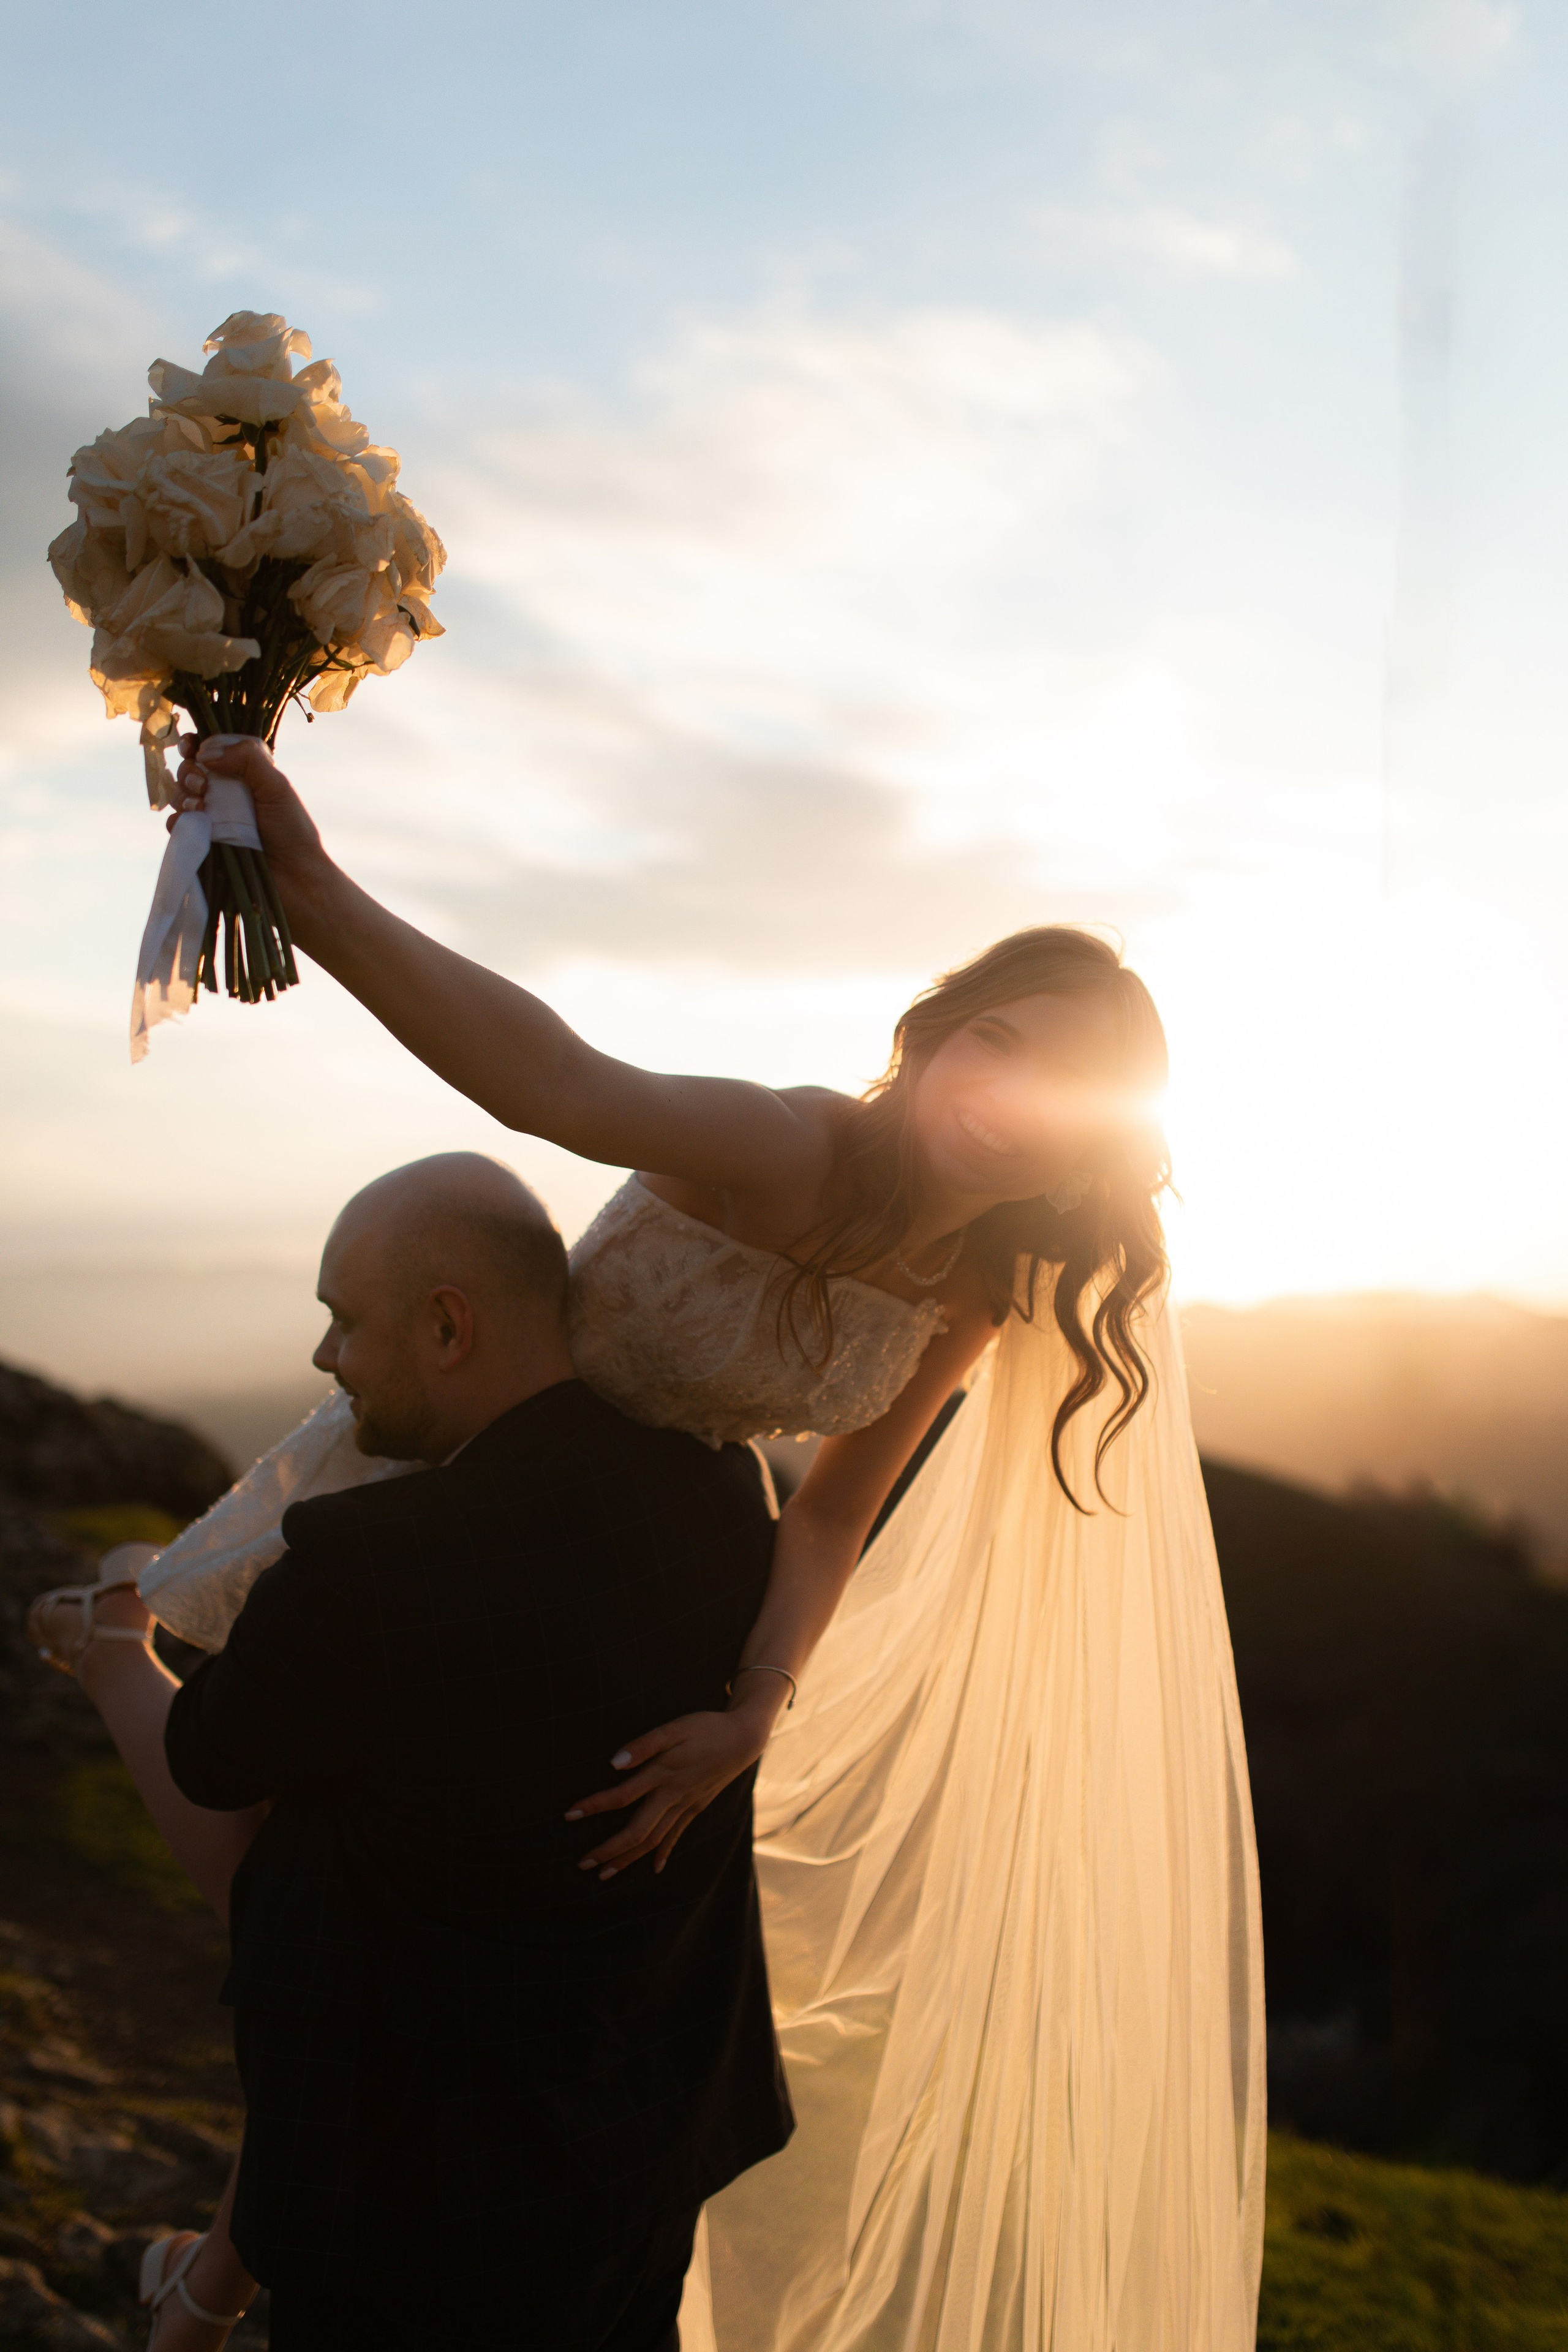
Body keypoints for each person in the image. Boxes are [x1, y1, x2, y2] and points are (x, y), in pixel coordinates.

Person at [78, 732, 1268, 2350]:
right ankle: (219, 2264)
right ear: (934, 1036)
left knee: (433, 1920)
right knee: (293, 1863)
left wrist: (756, 1708)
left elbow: (834, 1505)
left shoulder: (973, 1283)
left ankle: (213, 2281)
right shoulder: (794, 1147)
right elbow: (557, 1085)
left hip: (649, 1549)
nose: (1007, 1097)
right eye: (995, 1042)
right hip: (476, 1476)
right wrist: (310, 887)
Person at [30, 1155, 793, 2351]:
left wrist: (133, 1638)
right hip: (645, 2139)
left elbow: (207, 1761)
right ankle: (207, 2279)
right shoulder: (722, 1488)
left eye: (343, 1320)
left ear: (447, 1327)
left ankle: (206, 2283)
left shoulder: (361, 1565)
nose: (324, 1357)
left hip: (414, 2212)